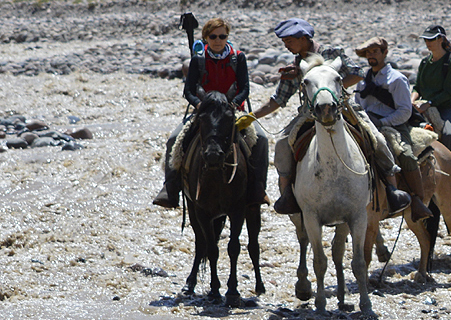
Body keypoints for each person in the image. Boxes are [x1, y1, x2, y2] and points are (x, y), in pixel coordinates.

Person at [250, 18, 411, 215]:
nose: (286, 45)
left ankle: (392, 190)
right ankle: (287, 196)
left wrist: (330, 90)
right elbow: (278, 100)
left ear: (303, 38)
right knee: (283, 142)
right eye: (284, 42)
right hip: (310, 114)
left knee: (376, 136)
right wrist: (250, 117)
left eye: (289, 40)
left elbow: (357, 73)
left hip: (342, 108)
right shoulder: (296, 64)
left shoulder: (332, 53)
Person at [153, 17, 267, 208]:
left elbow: (244, 88)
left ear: (227, 37)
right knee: (174, 139)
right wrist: (199, 105)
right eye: (213, 36)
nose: (218, 40)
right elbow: (188, 90)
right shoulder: (198, 59)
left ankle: (258, 188)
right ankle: (170, 189)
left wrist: (233, 104)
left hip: (233, 111)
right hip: (205, 112)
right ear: (206, 37)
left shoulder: (237, 57)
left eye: (222, 36)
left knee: (261, 139)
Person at [353, 37, 432, 220]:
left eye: (375, 51)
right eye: (368, 52)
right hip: (367, 124)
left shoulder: (396, 79)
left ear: (384, 53)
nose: (371, 55)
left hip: (393, 125)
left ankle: (417, 201)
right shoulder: (362, 81)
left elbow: (405, 111)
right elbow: (358, 106)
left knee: (405, 155)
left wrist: (382, 123)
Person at [411, 25, 451, 155]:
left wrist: (428, 103)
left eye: (431, 39)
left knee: (448, 134)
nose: (427, 43)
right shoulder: (425, 62)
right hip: (423, 105)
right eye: (426, 40)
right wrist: (411, 101)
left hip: (447, 108)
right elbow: (417, 87)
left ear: (441, 39)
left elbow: (449, 93)